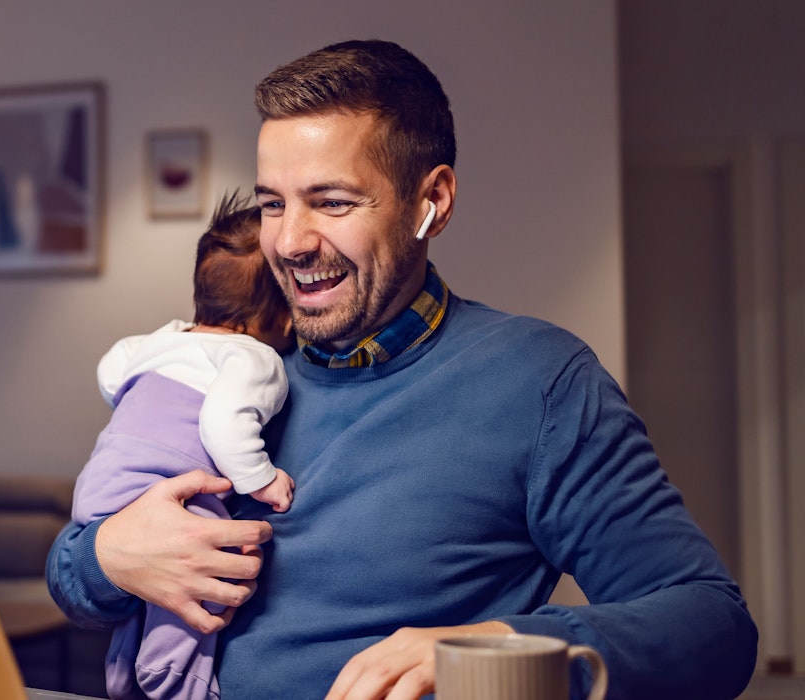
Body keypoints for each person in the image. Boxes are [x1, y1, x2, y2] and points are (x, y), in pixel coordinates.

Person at [46, 39, 759, 700]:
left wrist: (498, 647)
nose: (290, 242)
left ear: (432, 202)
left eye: (331, 202)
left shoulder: (538, 382)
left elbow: (711, 627)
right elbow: (74, 570)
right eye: (272, 204)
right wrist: (108, 556)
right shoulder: (235, 364)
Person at [73, 191, 295, 700]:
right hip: (172, 490)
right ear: (282, 317)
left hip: (104, 491)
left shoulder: (161, 339)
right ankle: (180, 682)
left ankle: (124, 672)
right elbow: (223, 423)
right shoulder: (258, 360)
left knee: (152, 589)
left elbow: (111, 369)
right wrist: (261, 479)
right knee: (205, 562)